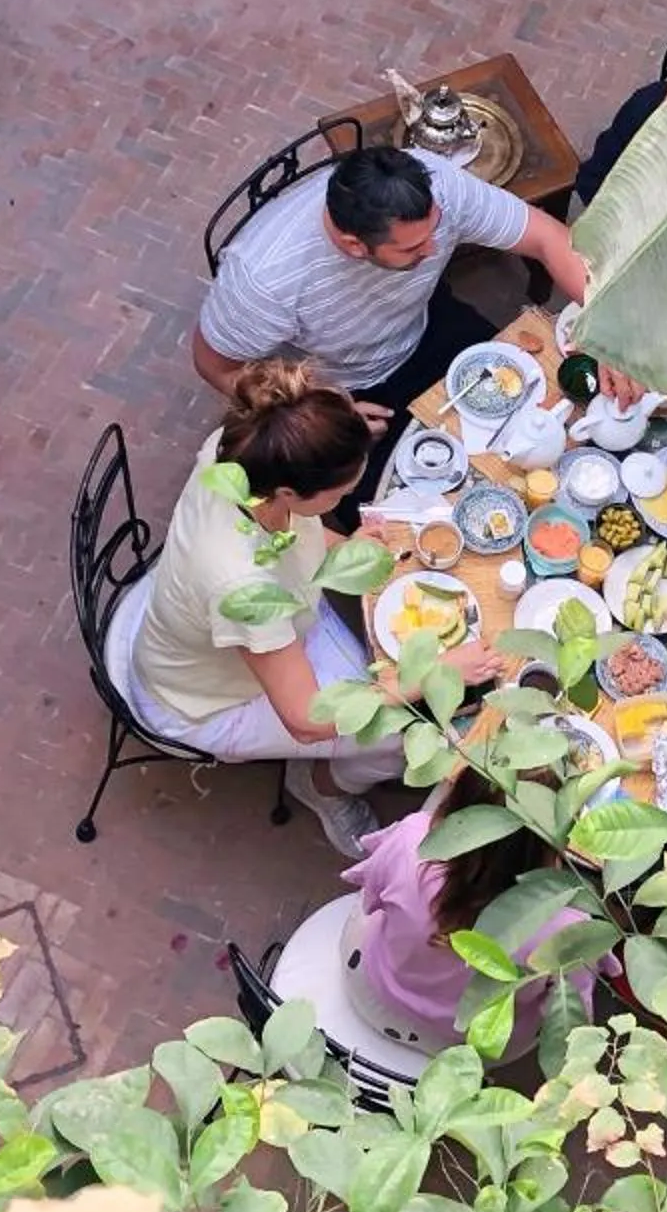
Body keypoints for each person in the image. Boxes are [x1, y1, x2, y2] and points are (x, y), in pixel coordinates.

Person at [126, 360, 497, 854]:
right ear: (288, 491)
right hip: (201, 700)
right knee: (411, 726)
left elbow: (293, 527)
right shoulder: (247, 592)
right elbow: (305, 720)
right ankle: (322, 788)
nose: (346, 499)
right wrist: (439, 672)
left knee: (388, 678)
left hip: (239, 627)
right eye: (340, 493)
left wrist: (344, 547)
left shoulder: (241, 453)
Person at [194, 144, 596, 504]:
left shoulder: (435, 184)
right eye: (413, 248)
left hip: (426, 326)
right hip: (345, 385)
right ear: (354, 245)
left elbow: (549, 238)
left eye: (436, 229)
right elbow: (216, 365)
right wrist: (321, 408)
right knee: (407, 502)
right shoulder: (265, 280)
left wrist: (607, 330)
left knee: (539, 407)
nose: (437, 247)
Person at [344, 765, 596, 1052]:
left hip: (376, 988)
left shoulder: (410, 841)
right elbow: (567, 1016)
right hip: (466, 1041)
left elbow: (370, 899)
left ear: (457, 802)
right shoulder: (568, 928)